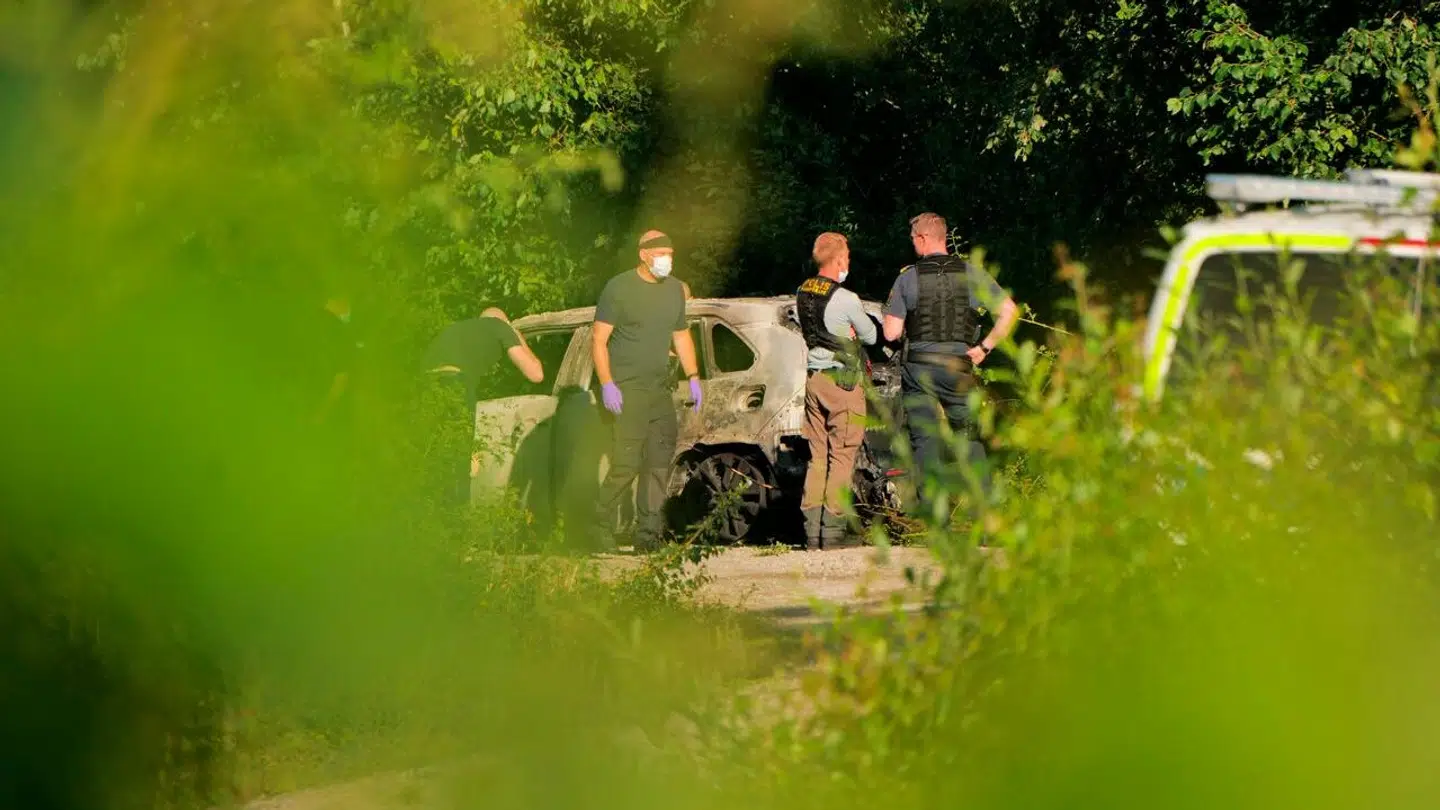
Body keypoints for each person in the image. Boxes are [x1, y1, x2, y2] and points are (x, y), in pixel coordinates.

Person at [882, 212, 1018, 522]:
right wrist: (984, 348)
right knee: (969, 438)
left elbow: (890, 333)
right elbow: (1009, 312)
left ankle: (937, 519)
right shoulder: (973, 274)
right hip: (959, 368)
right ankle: (986, 517)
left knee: (925, 441)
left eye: (913, 239)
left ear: (923, 239)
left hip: (918, 370)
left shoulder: (907, 277)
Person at [592, 229, 702, 553]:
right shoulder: (619, 288)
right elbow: (598, 339)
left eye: (670, 254)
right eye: (660, 255)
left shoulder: (673, 292)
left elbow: (681, 336)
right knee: (626, 464)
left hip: (659, 391)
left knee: (657, 465)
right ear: (643, 255)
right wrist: (607, 383)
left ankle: (647, 536)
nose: (666, 261)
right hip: (628, 388)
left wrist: (693, 376)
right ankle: (599, 526)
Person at [796, 232, 879, 550]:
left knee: (818, 457)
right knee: (842, 456)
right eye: (847, 256)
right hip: (842, 383)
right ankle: (833, 531)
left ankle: (812, 533)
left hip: (814, 380)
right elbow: (871, 336)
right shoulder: (846, 299)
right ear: (839, 259)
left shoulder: (802, 291)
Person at [422, 307, 545, 509]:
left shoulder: (455, 330)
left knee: (431, 458)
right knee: (458, 465)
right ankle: (456, 527)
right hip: (455, 385)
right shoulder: (498, 326)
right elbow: (536, 374)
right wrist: (514, 333)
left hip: (425, 388)